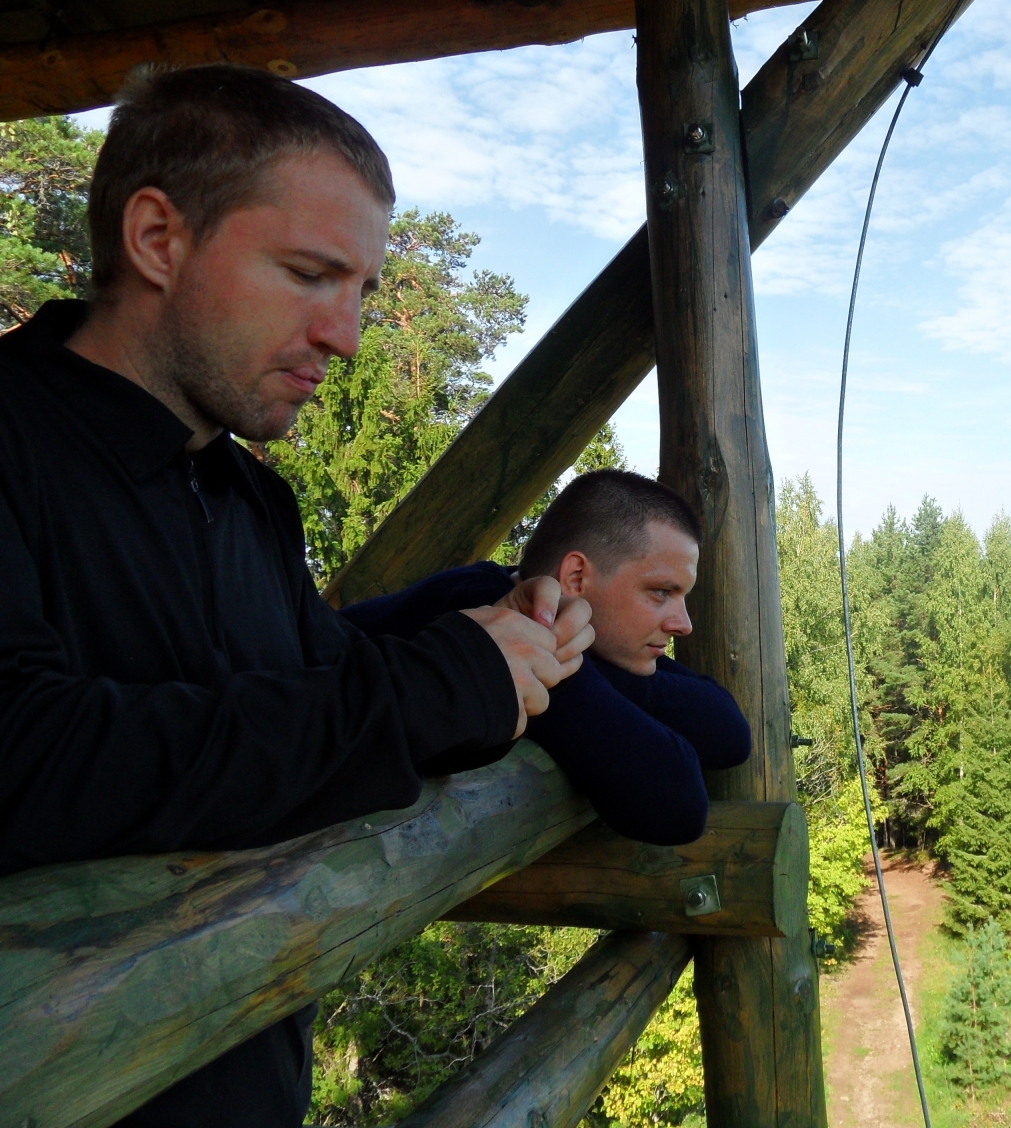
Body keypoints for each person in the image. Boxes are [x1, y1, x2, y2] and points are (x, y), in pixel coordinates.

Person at [0, 64, 598, 1128]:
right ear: (157, 238)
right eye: (310, 275)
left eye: (360, 291)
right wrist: (431, 690)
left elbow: (321, 698)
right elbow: (24, 758)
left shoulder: (251, 497)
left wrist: (492, 654)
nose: (347, 337)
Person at [343, 469, 753, 843]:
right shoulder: (501, 620)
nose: (683, 624)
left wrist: (595, 671)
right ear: (576, 577)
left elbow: (730, 734)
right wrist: (578, 671)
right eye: (661, 592)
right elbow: (676, 804)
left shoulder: (533, 606)